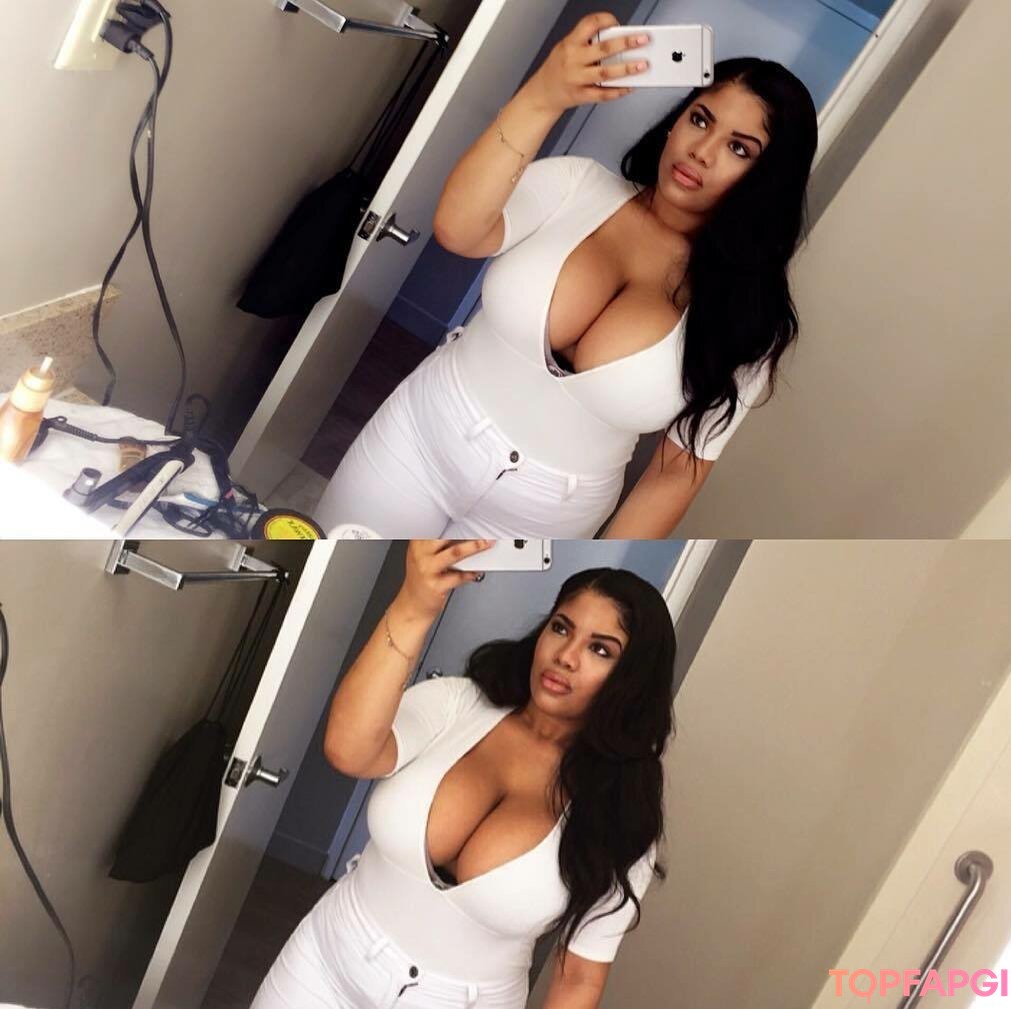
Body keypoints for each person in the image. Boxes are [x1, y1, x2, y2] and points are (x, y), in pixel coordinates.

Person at [314, 13, 818, 539]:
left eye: (739, 149)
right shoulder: (577, 183)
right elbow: (460, 231)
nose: (702, 150)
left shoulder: (749, 320)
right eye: (700, 119)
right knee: (324, 553)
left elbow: (674, 476)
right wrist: (543, 97)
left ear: (767, 181)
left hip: (546, 516)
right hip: (421, 435)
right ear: (676, 121)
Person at [251, 540, 675, 1009]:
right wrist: (414, 606)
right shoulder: (458, 703)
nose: (566, 656)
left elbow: (578, 979)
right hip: (324, 964)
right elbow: (349, 751)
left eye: (600, 649)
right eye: (561, 627)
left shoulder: (623, 814)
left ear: (633, 678)